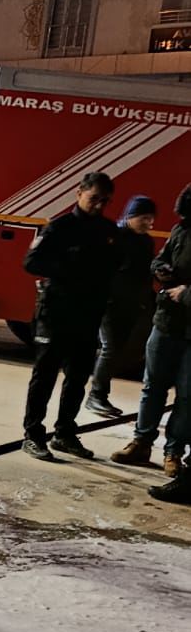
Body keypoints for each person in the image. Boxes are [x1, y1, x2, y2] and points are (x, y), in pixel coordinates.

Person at [20, 171, 117, 462]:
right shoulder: (59, 227)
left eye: (105, 201)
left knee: (77, 378)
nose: (99, 205)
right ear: (79, 193)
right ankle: (33, 434)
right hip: (56, 313)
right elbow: (31, 262)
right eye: (93, 199)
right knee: (45, 375)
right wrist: (69, 265)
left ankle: (64, 434)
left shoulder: (108, 231)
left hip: (87, 316)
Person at [112, 181, 191, 484]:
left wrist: (186, 294)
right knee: (152, 386)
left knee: (187, 396)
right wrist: (159, 269)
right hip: (166, 322)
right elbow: (161, 258)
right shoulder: (182, 230)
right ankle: (142, 443)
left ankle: (173, 452)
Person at [86, 194, 157, 417]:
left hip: (132, 304)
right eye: (144, 218)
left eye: (151, 219)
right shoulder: (115, 237)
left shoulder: (145, 241)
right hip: (109, 303)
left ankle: (98, 395)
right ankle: (96, 396)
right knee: (110, 348)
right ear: (131, 216)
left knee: (121, 349)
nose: (149, 223)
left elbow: (144, 272)